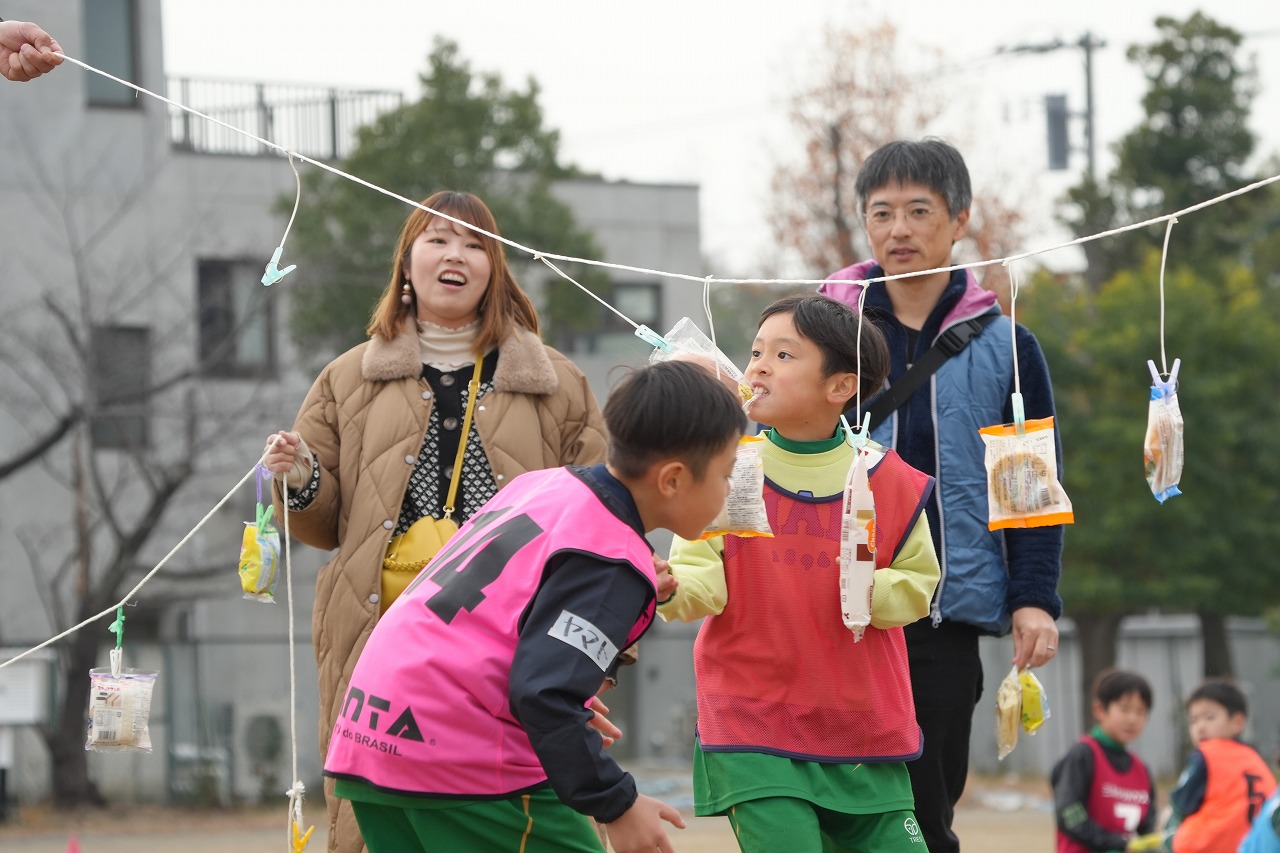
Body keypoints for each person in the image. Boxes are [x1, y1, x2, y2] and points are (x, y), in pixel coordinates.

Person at [263, 191, 608, 853]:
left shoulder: (557, 381)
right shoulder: (346, 378)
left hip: (513, 638)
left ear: (496, 268)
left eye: (475, 244)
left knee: (519, 806)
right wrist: (300, 479)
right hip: (379, 632)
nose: (456, 255)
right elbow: (327, 526)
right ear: (407, 262)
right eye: (438, 239)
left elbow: (599, 520)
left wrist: (601, 655)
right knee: (386, 812)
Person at [322, 360, 747, 853]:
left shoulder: (543, 485)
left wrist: (567, 692)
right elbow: (545, 695)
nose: (729, 491)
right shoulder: (612, 560)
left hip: (370, 732)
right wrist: (616, 802)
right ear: (672, 479)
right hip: (457, 752)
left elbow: (506, 630)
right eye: (725, 474)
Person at [819, 137, 1064, 853]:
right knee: (829, 812)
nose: (899, 229)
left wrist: (1034, 597)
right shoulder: (824, 334)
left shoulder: (1008, 346)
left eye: (918, 210)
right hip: (832, 605)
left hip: (945, 610)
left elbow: (1030, 490)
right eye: (881, 213)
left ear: (959, 219)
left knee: (927, 814)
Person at [660, 293, 941, 852]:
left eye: (783, 355)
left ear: (840, 387)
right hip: (753, 725)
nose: (758, 367)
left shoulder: (888, 478)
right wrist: (666, 587)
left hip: (864, 727)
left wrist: (868, 589)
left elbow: (919, 584)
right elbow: (700, 581)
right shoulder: (727, 470)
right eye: (756, 352)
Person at [1162, 679, 1277, 853]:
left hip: (1208, 846)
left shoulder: (1206, 755)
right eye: (1193, 720)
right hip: (1253, 846)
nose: (1200, 727)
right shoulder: (1256, 759)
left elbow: (1181, 803)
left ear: (1237, 722)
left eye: (1210, 717)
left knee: (1168, 816)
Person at [1051, 669, 1156, 852]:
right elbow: (1069, 814)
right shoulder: (1083, 755)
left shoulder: (1141, 769)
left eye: (1140, 712)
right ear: (1099, 709)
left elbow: (1147, 828)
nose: (1132, 719)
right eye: (1124, 709)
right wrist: (1114, 843)